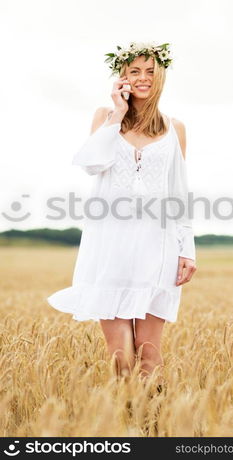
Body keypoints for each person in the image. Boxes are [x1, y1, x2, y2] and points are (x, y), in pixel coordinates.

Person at [47, 41, 197, 384]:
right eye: (134, 72)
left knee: (149, 350)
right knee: (120, 354)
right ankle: (125, 420)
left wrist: (186, 249)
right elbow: (91, 164)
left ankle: (153, 426)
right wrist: (116, 113)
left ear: (161, 77)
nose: (143, 78)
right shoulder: (105, 117)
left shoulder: (176, 129)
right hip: (109, 245)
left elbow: (178, 193)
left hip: (157, 247)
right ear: (122, 77)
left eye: (150, 71)